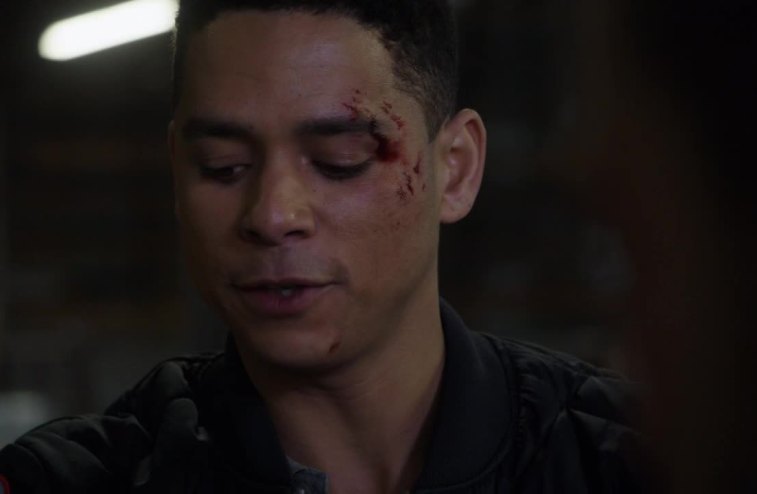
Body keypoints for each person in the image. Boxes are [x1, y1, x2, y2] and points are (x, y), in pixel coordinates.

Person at [0, 1, 642, 492]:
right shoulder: (79, 481)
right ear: (176, 171)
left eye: (340, 160)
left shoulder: (631, 461)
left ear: (456, 169)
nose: (273, 215)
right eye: (223, 166)